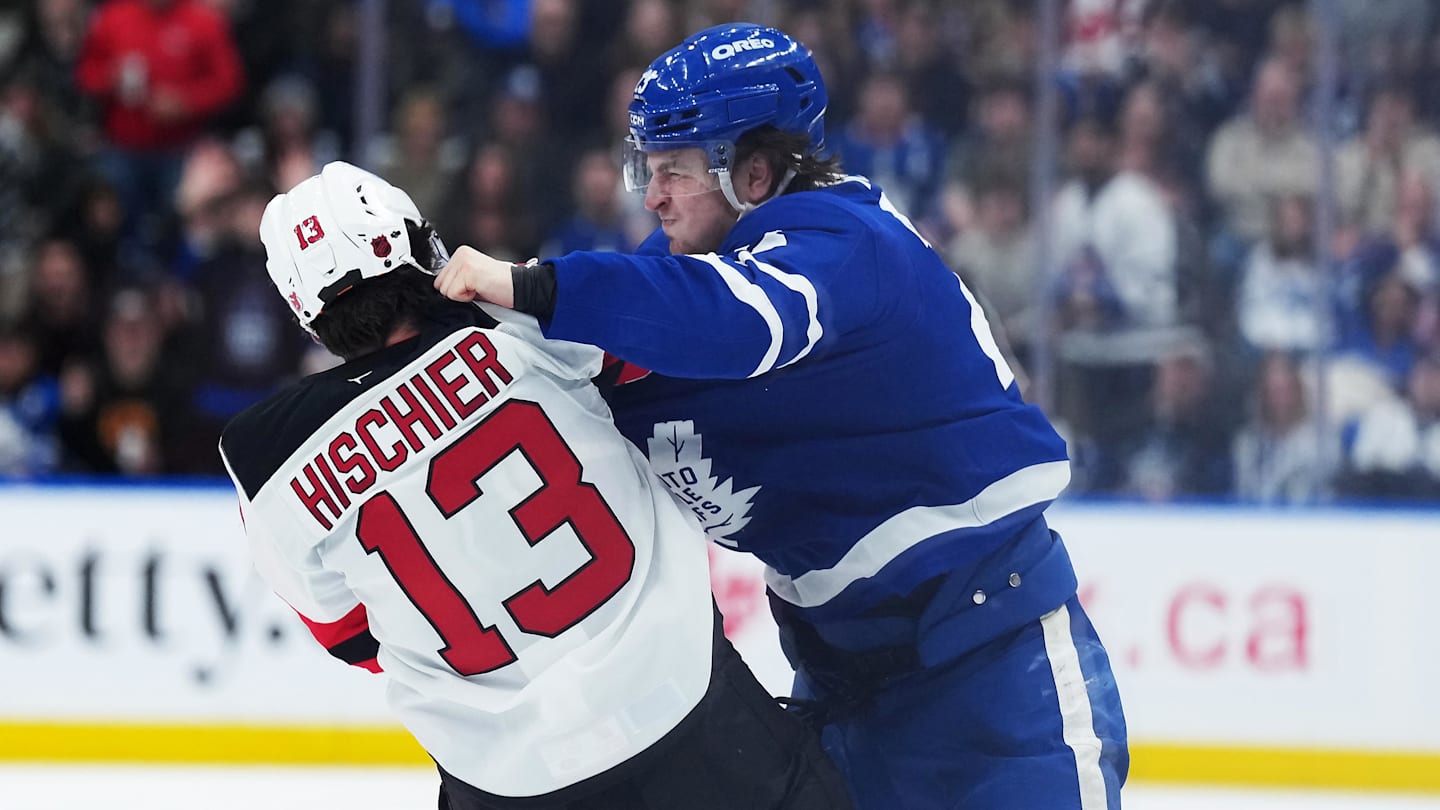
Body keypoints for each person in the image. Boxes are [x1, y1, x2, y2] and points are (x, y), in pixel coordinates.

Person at [433, 23, 1129, 810]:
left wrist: (533, 285)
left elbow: (739, 322)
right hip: (842, 690)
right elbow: (574, 365)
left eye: (674, 171)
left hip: (996, 680)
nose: (653, 197)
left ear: (754, 174)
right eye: (646, 171)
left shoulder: (847, 242)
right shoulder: (678, 282)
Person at [218, 161, 852, 810]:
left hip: (507, 783)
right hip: (687, 712)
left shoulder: (265, 458)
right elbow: (670, 330)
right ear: (416, 246)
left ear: (305, 313)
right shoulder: (511, 313)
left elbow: (353, 639)